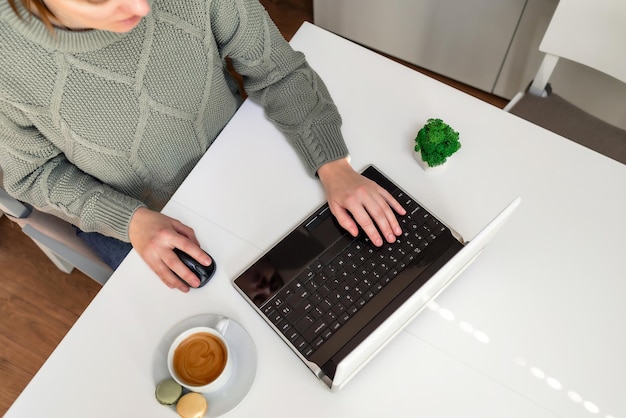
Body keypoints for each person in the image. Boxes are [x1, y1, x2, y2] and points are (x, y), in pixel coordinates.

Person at [0, 0, 405, 292]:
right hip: (137, 220)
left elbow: (275, 69)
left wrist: (335, 164)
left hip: (240, 158)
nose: (141, 7)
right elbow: (32, 174)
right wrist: (131, 221)